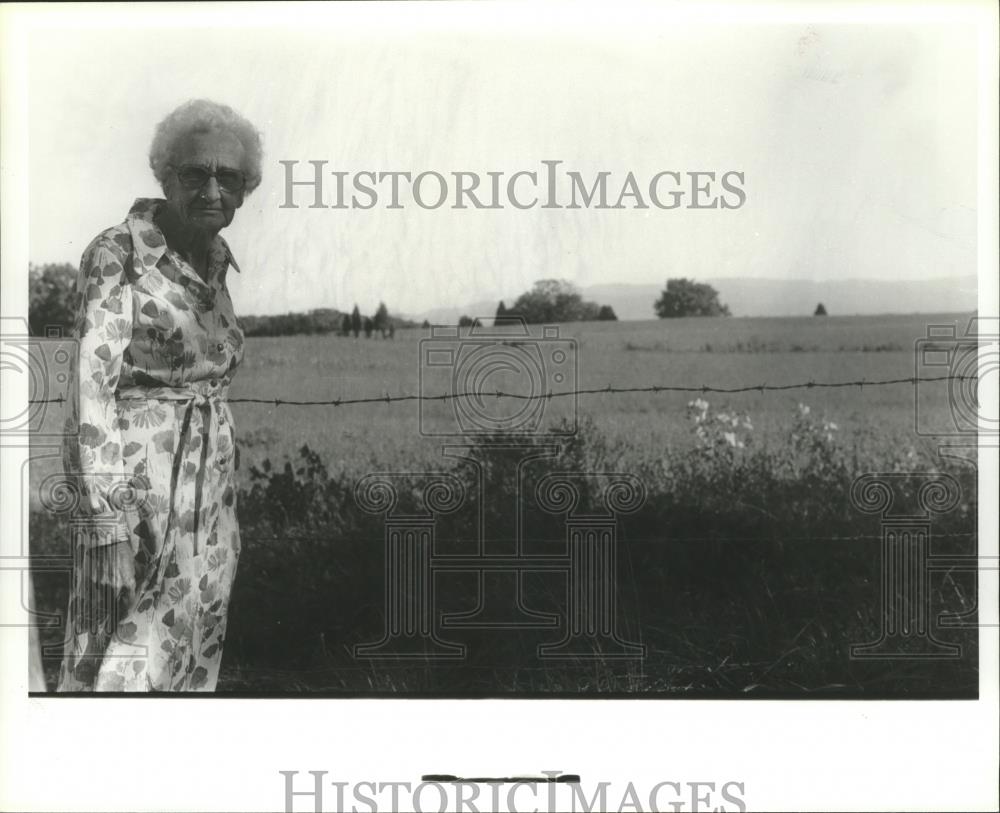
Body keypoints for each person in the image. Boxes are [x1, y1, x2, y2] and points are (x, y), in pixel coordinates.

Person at [58, 99, 262, 691]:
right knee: (117, 657)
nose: (213, 188)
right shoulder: (118, 253)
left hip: (210, 495)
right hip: (137, 488)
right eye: (196, 173)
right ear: (165, 177)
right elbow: (90, 391)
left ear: (245, 189)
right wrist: (106, 525)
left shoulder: (219, 262)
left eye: (229, 177)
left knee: (193, 647)